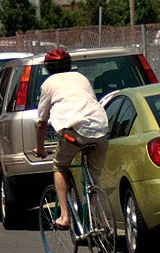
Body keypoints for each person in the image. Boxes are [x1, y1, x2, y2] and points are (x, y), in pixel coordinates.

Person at [34, 48, 109, 229]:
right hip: (101, 129)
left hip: (73, 133)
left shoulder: (49, 83)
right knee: (94, 180)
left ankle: (65, 217)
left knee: (59, 165)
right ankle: (105, 225)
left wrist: (40, 148)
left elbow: (41, 123)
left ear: (47, 68)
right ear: (70, 65)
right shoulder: (81, 78)